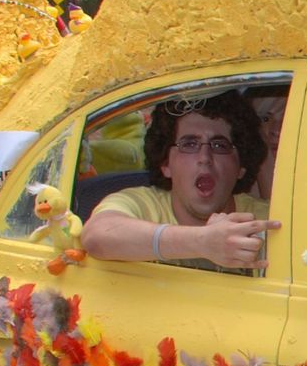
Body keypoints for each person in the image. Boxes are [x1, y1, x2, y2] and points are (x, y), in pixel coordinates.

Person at [81, 92, 277, 273]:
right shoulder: (141, 204)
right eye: (189, 144)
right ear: (165, 163)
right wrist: (202, 242)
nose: (205, 157)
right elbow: (96, 236)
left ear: (241, 167)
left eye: (219, 145)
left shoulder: (265, 218)